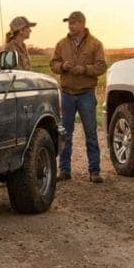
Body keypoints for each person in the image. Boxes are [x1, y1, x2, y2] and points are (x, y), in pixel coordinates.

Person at [50, 11, 107, 183]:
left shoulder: (95, 44)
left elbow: (101, 66)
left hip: (86, 94)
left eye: (74, 23)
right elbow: (53, 64)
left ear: (82, 24)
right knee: (65, 134)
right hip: (67, 94)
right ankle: (64, 170)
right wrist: (62, 66)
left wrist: (85, 69)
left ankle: (94, 171)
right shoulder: (61, 44)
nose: (70, 26)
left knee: (91, 134)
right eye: (69, 23)